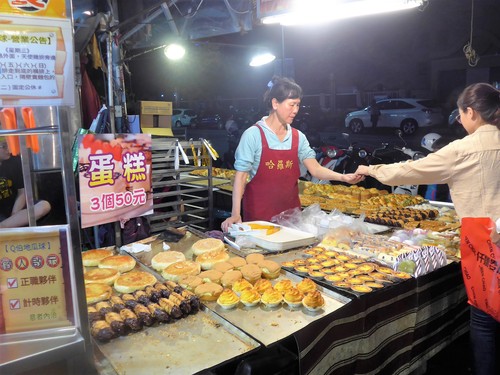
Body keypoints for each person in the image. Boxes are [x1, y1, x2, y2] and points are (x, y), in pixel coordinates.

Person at [355, 82, 500, 375]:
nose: (460, 120)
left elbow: (410, 170)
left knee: (485, 319)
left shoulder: (463, 150)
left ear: (470, 112)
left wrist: (370, 170)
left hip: (487, 243)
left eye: (461, 114)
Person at [220, 76, 363, 232]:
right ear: (275, 103)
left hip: (291, 218)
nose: (295, 110)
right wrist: (235, 213)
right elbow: (240, 176)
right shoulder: (253, 135)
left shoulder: (298, 136)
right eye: (291, 105)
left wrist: (343, 177)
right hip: (259, 216)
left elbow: (315, 169)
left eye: (298, 105)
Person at [0, 137, 51, 228]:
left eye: (9, 145)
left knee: (44, 206)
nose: (8, 149)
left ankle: (3, 227)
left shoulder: (15, 161)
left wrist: (14, 215)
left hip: (16, 209)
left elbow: (22, 192)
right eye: (4, 146)